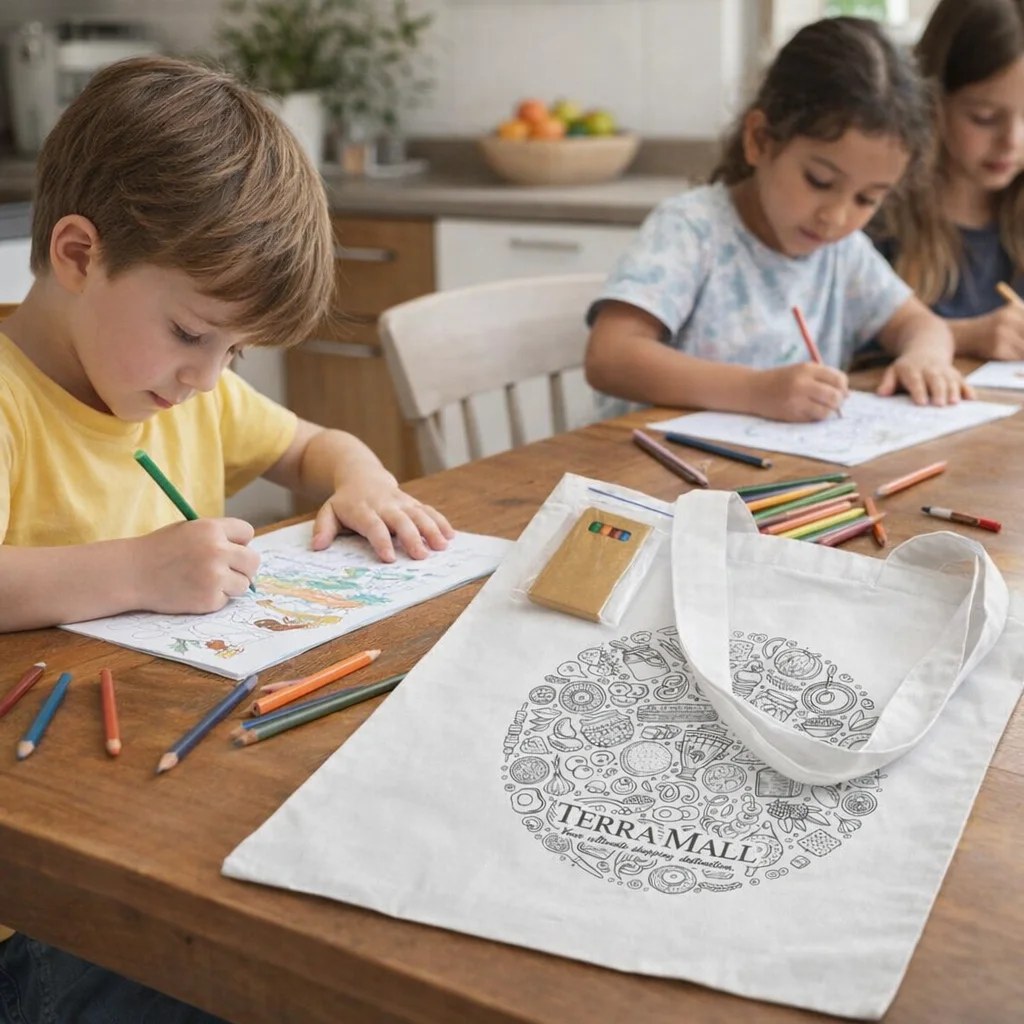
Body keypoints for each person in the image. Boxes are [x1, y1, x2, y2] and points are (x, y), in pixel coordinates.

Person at [0, 55, 452, 1022]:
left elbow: (314, 445)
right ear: (78, 255)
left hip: (162, 816)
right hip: (42, 898)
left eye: (235, 353)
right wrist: (131, 570)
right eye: (192, 332)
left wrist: (361, 478)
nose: (209, 378)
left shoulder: (172, 391)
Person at [584, 17, 971, 423]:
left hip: (776, 478)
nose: (835, 217)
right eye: (819, 181)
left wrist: (924, 358)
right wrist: (755, 391)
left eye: (867, 198)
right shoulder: (692, 230)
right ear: (759, 140)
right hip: (651, 473)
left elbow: (920, 324)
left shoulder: (842, 253)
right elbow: (610, 356)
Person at [872, 0, 1024, 359]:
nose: (1012, 141)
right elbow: (835, 339)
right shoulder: (873, 208)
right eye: (984, 117)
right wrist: (964, 336)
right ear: (930, 100)